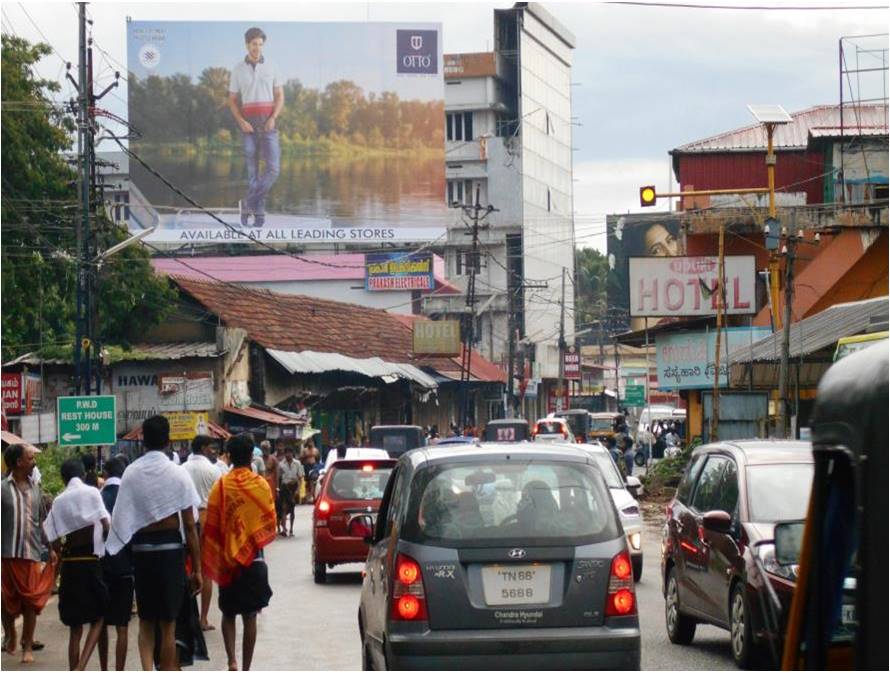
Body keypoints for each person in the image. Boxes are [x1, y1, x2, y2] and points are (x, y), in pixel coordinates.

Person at [105, 415, 202, 672]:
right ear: (168, 440)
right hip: (171, 553)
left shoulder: (132, 473)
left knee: (146, 623)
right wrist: (198, 569)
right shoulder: (177, 473)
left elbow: (121, 520)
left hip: (142, 552)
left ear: (142, 440)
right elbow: (190, 526)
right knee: (168, 627)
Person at [202, 433, 276, 672]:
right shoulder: (261, 485)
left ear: (230, 456)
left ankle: (231, 660)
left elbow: (211, 525)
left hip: (227, 561)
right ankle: (246, 667)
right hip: (253, 560)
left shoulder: (221, 486)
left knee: (228, 613)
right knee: (250, 615)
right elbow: (269, 521)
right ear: (251, 455)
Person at [43, 458, 110, 671]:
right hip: (90, 561)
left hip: (70, 563)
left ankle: (74, 669)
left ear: (63, 479)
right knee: (99, 616)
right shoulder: (92, 493)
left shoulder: (59, 501)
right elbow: (106, 524)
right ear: (82, 475)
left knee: (75, 627)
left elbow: (53, 539)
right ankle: (81, 667)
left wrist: (59, 555)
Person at [1, 444, 56, 664]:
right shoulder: (2, 489)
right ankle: (11, 633)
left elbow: (41, 522)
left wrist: (51, 548)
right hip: (7, 554)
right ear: (18, 463)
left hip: (31, 554)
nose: (34, 462)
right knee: (5, 601)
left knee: (30, 603)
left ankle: (27, 645)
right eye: (30, 458)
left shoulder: (36, 489)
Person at [227, 26, 283, 229]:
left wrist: (273, 117)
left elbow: (280, 96)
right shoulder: (237, 69)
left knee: (273, 169)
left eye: (260, 44)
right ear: (247, 44)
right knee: (253, 176)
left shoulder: (273, 66)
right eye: (253, 44)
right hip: (248, 126)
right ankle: (259, 219)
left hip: (268, 124)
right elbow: (232, 100)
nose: (257, 48)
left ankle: (248, 204)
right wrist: (241, 121)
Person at [97, 456, 134, 672]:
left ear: (106, 475)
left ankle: (104, 668)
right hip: (125, 568)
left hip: (102, 567)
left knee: (100, 624)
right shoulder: (128, 497)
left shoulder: (98, 496)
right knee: (122, 626)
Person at [183, 435, 222, 632]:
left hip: (186, 518)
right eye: (211, 447)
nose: (213, 451)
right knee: (206, 570)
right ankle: (203, 618)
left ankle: (186, 616)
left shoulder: (181, 469)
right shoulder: (213, 470)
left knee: (186, 568)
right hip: (207, 518)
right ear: (203, 448)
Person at [278, 447, 303, 537]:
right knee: (284, 508)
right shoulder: (281, 464)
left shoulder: (297, 463)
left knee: (292, 509)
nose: (288, 455)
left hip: (293, 487)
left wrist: (298, 490)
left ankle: (291, 529)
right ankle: (284, 528)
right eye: (286, 453)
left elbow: (300, 478)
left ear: (292, 454)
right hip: (285, 487)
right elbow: (279, 478)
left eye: (290, 453)